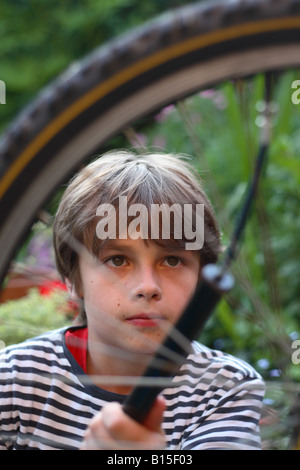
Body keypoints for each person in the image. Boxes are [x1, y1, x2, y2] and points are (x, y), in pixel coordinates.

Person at [0, 151, 265, 450]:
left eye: (173, 261)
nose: (147, 287)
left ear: (202, 279)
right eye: (117, 260)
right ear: (73, 279)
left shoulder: (224, 388)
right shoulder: (13, 380)